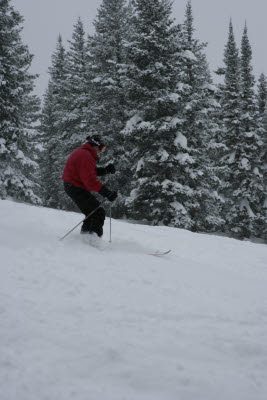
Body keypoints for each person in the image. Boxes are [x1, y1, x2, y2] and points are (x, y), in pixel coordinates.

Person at [62, 134, 117, 237]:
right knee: (98, 212)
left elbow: (88, 172)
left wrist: (105, 170)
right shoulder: (86, 156)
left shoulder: (84, 153)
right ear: (95, 145)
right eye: (101, 147)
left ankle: (86, 238)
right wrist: (106, 193)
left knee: (92, 212)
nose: (101, 150)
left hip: (73, 186)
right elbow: (90, 180)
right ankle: (92, 241)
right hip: (74, 187)